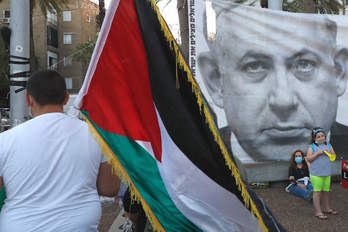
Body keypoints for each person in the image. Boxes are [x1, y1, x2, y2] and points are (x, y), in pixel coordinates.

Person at [198, 3, 348, 163]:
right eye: (254, 66)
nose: (283, 101)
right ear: (216, 81)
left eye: (304, 64)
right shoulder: (197, 161)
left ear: (338, 72)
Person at [0, 70, 120, 231]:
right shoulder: (96, 136)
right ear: (65, 99)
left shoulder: (5, 140)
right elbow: (110, 189)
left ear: (29, 100)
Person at [306, 127, 337, 220]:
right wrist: (317, 153)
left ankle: (327, 208)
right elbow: (309, 159)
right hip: (316, 174)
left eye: (322, 136)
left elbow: (334, 157)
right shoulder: (311, 147)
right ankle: (318, 212)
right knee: (317, 192)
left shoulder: (328, 145)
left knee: (326, 192)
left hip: (326, 173)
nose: (321, 138)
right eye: (318, 136)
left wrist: (330, 153)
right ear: (314, 138)